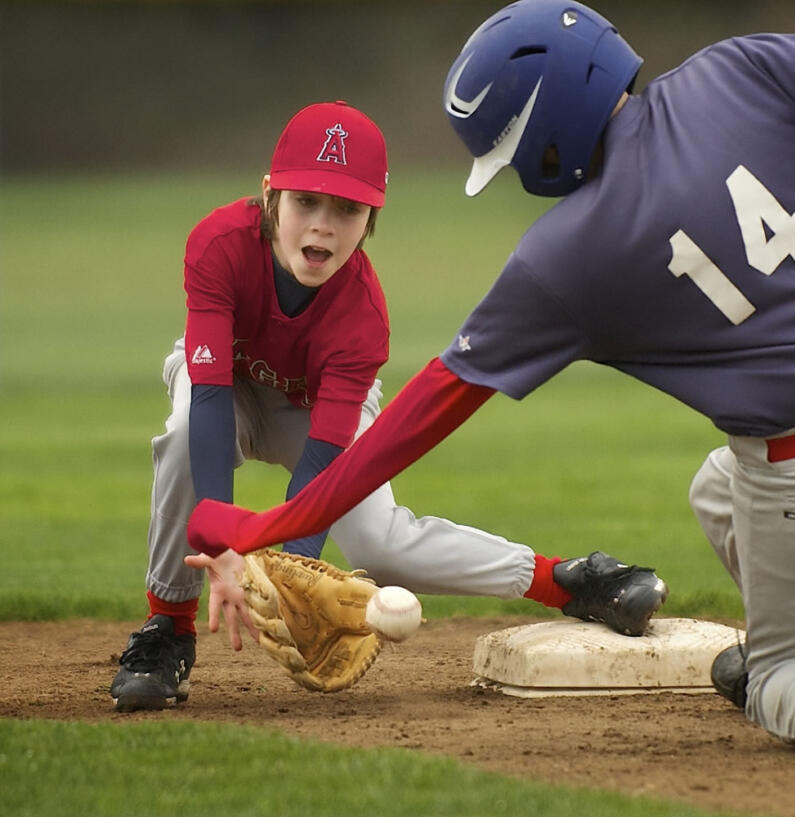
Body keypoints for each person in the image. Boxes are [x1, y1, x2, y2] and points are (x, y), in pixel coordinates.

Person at [186, 0, 795, 754]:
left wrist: (264, 527)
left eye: (514, 151)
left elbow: (419, 418)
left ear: (543, 128)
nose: (524, 170)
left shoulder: (567, 256)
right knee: (718, 491)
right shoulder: (734, 69)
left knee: (773, 687)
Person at [109, 98, 668, 713]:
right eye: (305, 202)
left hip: (314, 411)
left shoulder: (364, 319)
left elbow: (325, 459)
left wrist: (292, 574)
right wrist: (222, 548)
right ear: (269, 194)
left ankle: (567, 582)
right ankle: (169, 629)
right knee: (189, 427)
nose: (322, 225)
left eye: (347, 209)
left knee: (380, 544)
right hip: (227, 390)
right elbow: (212, 398)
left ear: (371, 218)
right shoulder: (218, 244)